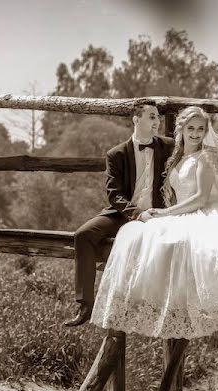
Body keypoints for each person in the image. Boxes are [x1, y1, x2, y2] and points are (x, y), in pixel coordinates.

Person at [89, 105, 218, 339]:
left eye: (201, 129)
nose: (196, 133)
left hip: (204, 213)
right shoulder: (177, 156)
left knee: (184, 245)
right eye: (191, 128)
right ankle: (142, 302)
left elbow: (200, 198)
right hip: (182, 213)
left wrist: (167, 213)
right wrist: (166, 212)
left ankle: (181, 305)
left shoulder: (205, 157)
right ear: (181, 129)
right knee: (138, 234)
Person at [63, 100, 176, 327]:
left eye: (158, 117)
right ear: (136, 120)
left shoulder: (169, 147)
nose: (157, 122)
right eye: (152, 117)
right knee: (83, 235)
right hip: (123, 213)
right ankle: (86, 304)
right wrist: (138, 214)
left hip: (159, 214)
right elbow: (114, 195)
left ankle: (158, 308)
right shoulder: (116, 154)